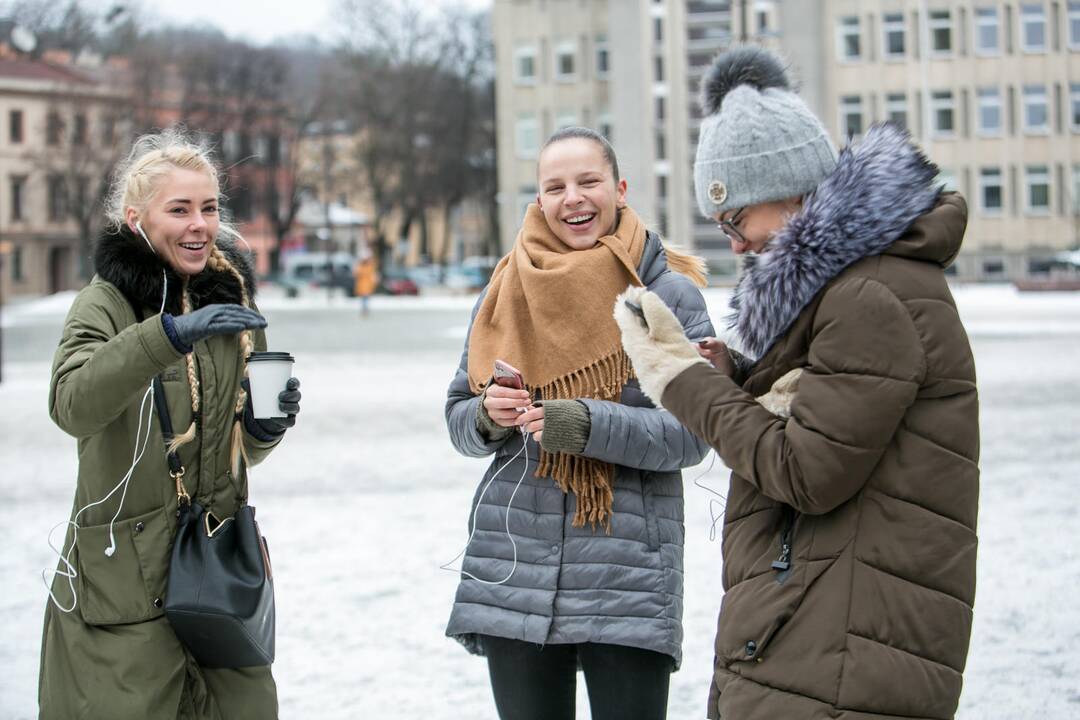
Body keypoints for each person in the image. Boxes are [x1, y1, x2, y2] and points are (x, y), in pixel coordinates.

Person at [615, 47, 979, 720]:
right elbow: (840, 418)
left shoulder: (869, 294)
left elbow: (808, 471)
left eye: (735, 220)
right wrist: (744, 380)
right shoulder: (859, 285)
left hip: (844, 648)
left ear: (789, 193)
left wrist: (683, 379)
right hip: (830, 631)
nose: (735, 245)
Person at [444, 126, 714, 720]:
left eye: (588, 181)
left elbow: (691, 432)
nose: (574, 198)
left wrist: (584, 423)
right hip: (514, 567)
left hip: (625, 575)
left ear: (618, 189)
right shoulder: (504, 289)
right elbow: (458, 419)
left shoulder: (664, 294)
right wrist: (488, 416)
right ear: (539, 200)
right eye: (555, 186)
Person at [39, 128, 301, 719]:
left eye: (208, 208)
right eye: (178, 209)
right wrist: (163, 337)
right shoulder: (104, 303)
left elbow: (232, 449)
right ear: (137, 218)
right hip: (125, 584)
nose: (199, 225)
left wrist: (262, 428)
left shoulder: (230, 300)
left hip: (218, 571)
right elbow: (72, 405)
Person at [353, 247, 378, 316]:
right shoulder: (363, 266)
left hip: (366, 286)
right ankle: (365, 310)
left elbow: (373, 276)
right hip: (363, 286)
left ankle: (365, 310)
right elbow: (356, 274)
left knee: (365, 299)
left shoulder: (368, 266)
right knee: (364, 299)